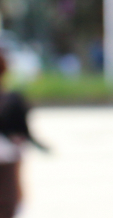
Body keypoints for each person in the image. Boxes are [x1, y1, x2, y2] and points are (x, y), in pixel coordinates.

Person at [0, 51, 47, 218]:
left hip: (9, 159)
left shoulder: (13, 100)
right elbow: (23, 133)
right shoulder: (13, 100)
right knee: (8, 203)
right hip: (8, 161)